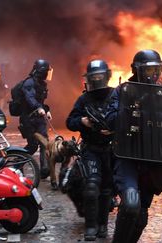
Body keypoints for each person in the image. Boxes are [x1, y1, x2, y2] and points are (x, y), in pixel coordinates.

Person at [106, 50, 162, 243]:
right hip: (128, 157)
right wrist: (132, 107)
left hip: (153, 160)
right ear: (136, 70)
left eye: (156, 70)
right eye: (149, 71)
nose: (154, 75)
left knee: (140, 216)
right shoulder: (123, 91)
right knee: (131, 203)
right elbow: (110, 120)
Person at [66, 60, 114, 241]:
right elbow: (69, 122)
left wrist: (114, 129)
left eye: (100, 76)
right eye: (94, 77)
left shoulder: (115, 95)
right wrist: (82, 122)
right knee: (91, 187)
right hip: (91, 149)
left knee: (107, 190)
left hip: (110, 149)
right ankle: (91, 226)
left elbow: (126, 118)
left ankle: (103, 225)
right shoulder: (84, 99)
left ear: (107, 76)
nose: (98, 80)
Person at [19, 59, 53, 179]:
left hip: (39, 118)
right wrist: (38, 107)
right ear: (42, 72)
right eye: (47, 71)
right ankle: (18, 165)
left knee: (45, 143)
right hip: (28, 119)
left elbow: (40, 101)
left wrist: (46, 109)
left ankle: (44, 169)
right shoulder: (29, 83)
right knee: (32, 146)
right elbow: (30, 98)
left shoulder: (41, 84)